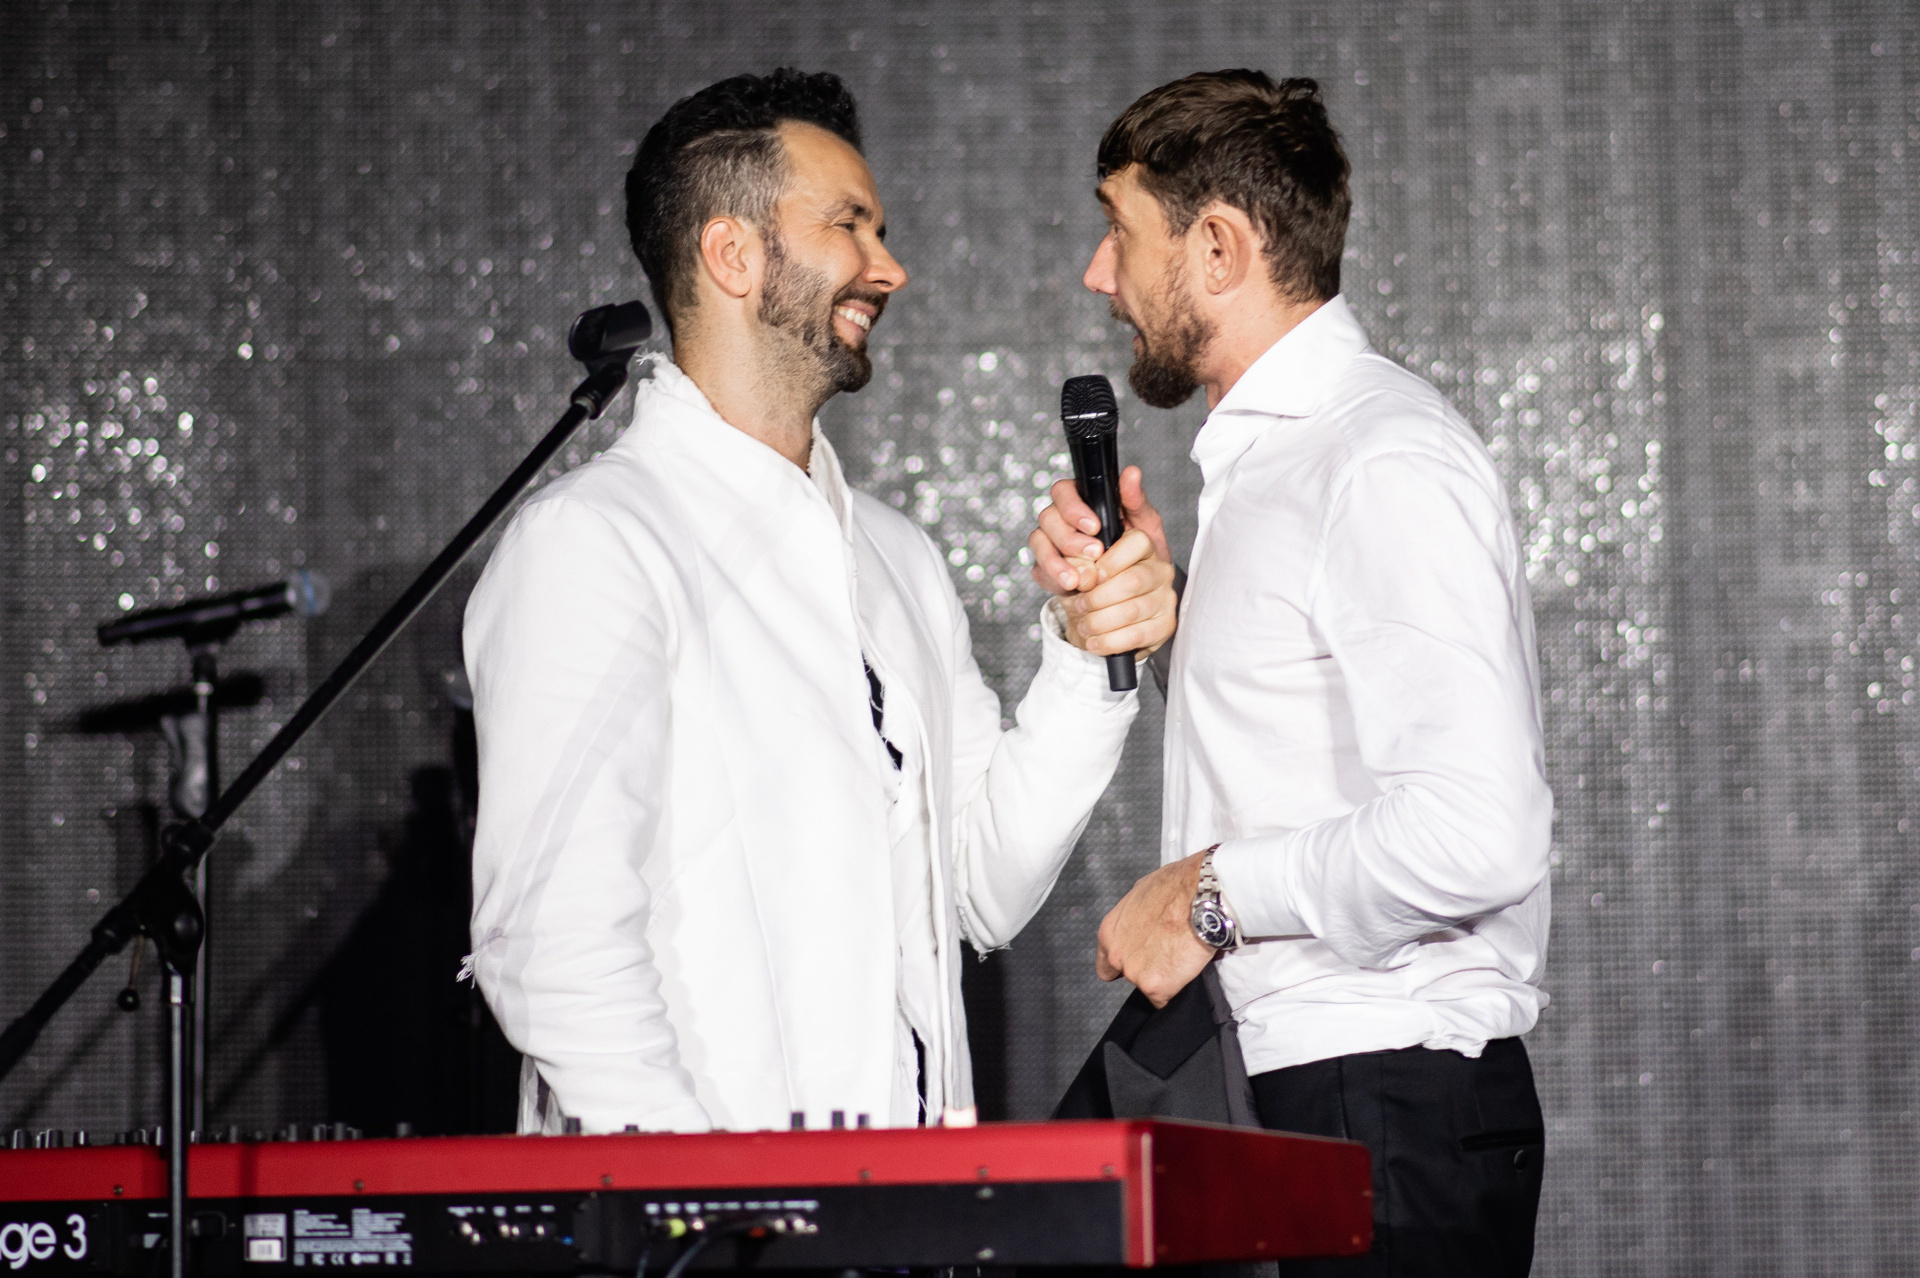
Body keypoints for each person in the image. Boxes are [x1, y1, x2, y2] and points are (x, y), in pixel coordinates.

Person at [463, 69, 1177, 1134]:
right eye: (849, 224)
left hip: (904, 1195)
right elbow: (551, 946)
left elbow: (978, 887)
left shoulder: (894, 557)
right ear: (732, 254)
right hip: (713, 1208)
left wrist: (1086, 658)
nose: (888, 267)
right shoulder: (595, 543)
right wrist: (710, 1202)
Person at [1030, 71, 1552, 1275]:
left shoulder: (1377, 456)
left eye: (1120, 231)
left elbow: (1480, 834)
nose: (1099, 276)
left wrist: (1207, 898)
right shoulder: (1278, 464)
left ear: (1218, 246)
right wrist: (1165, 622)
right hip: (1309, 1092)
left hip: (1381, 1105)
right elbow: (1294, 745)